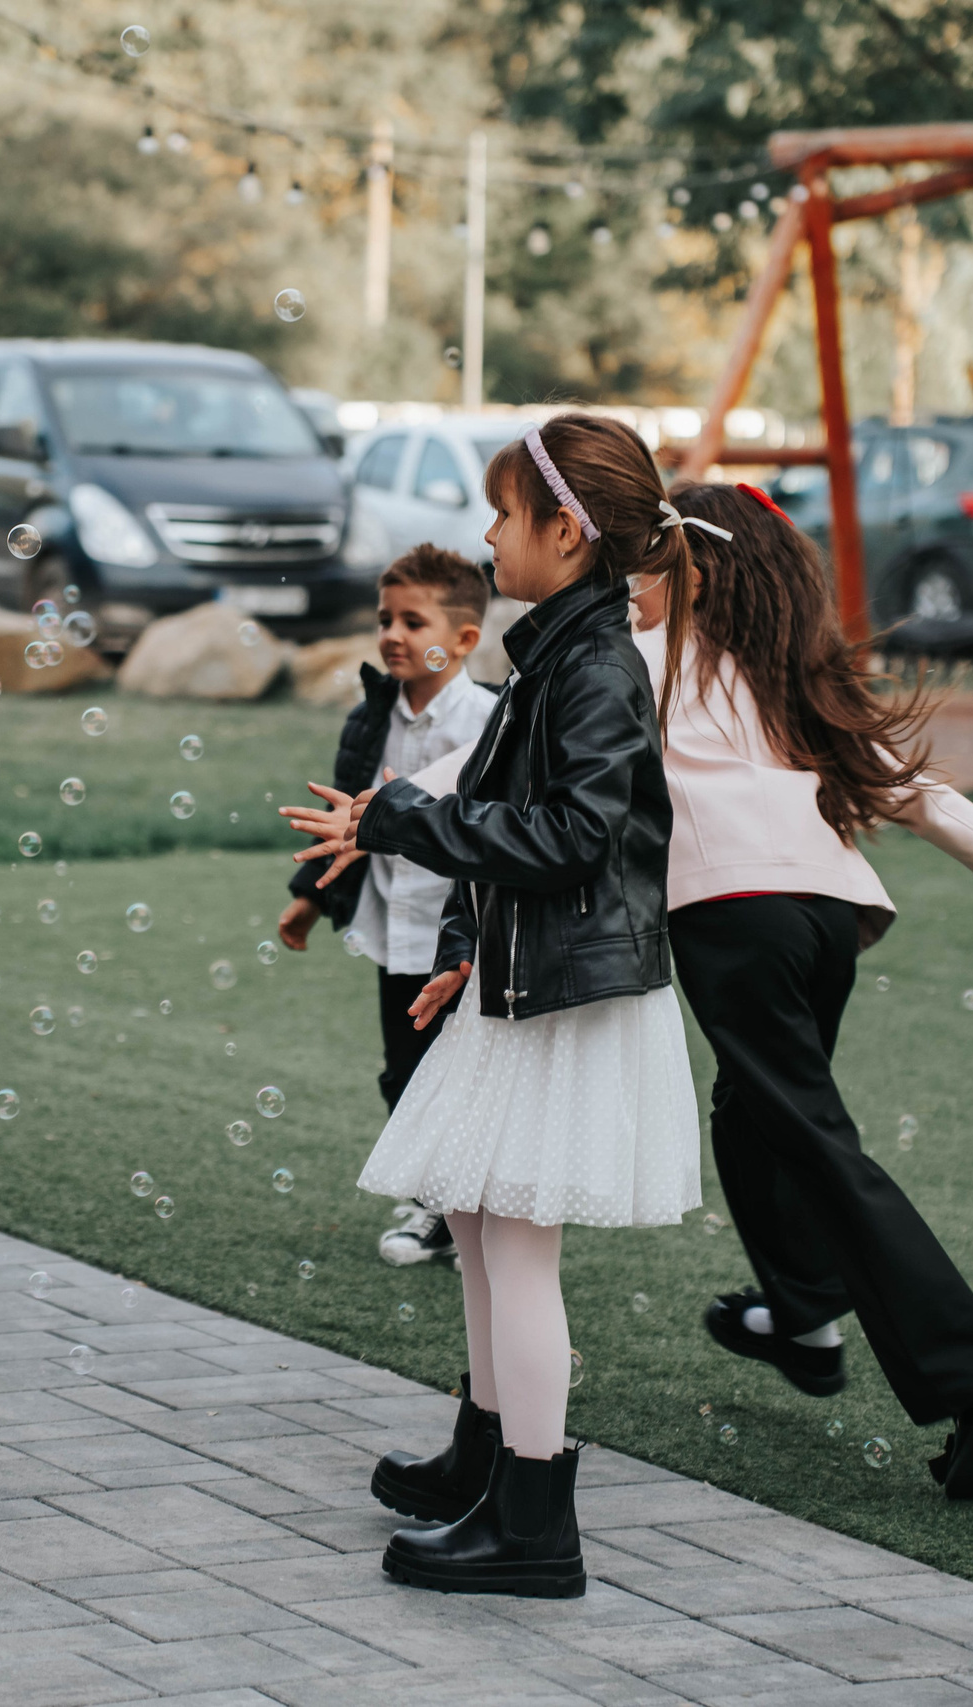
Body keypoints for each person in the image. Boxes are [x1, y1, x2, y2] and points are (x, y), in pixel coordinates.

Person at [630, 480, 973, 1500]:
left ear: (701, 573)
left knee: (811, 1143)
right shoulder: (788, 676)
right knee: (749, 1116)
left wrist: (401, 799)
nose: (632, 587)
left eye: (650, 566)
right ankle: (803, 1319)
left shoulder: (645, 661)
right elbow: (905, 782)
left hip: (737, 919)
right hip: (825, 922)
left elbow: (517, 737)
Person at [283, 415, 701, 1599]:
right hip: (525, 978)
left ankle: (533, 1521)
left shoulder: (594, 665)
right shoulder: (556, 649)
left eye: (503, 515)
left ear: (564, 534)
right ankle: (485, 1458)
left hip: (571, 1000)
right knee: (471, 1219)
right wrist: (462, 939)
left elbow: (574, 837)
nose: (485, 532)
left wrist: (400, 820)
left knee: (515, 1245)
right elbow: (499, 812)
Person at [277, 545, 498, 1270]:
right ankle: (438, 1204)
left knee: (469, 1073)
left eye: (414, 619)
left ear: (465, 639)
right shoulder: (373, 718)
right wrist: (309, 898)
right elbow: (346, 817)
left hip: (463, 934)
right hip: (393, 927)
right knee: (404, 1072)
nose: (393, 634)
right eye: (384, 619)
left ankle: (475, 1211)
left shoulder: (490, 720)